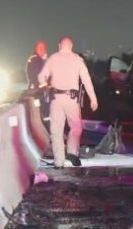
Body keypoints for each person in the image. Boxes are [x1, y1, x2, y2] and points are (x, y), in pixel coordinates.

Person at [38, 36, 98, 168]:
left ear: (59, 46)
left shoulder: (53, 58)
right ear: (71, 46)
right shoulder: (78, 60)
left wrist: (45, 85)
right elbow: (87, 81)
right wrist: (93, 99)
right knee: (76, 127)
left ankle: (59, 161)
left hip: (56, 99)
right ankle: (72, 152)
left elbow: (41, 77)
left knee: (56, 130)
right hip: (72, 99)